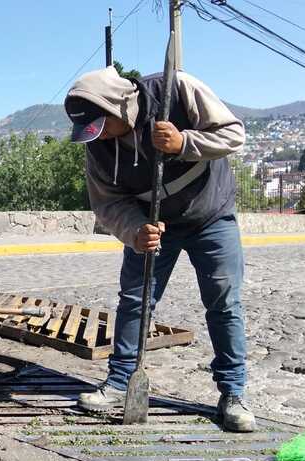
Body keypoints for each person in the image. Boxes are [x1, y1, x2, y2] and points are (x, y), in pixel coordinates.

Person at [64, 66, 254, 432]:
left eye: (102, 126)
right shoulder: (97, 147)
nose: (98, 137)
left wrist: (184, 143)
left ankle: (233, 393)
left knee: (223, 301)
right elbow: (106, 203)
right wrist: (135, 231)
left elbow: (234, 134)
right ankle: (119, 383)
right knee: (135, 300)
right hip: (151, 225)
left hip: (209, 215)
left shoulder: (176, 90)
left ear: (118, 106)